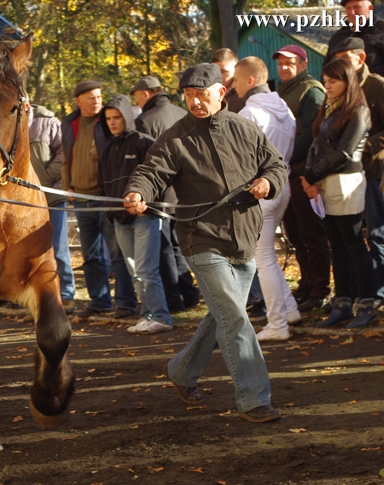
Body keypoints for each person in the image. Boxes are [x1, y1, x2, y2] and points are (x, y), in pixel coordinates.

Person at [124, 63, 288, 423]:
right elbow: (150, 172)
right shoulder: (176, 137)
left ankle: (182, 371)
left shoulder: (246, 128)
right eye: (189, 96)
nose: (196, 102)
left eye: (203, 94)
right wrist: (138, 192)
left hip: (244, 237)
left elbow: (276, 166)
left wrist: (267, 183)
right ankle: (254, 398)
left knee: (222, 315)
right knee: (234, 316)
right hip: (201, 238)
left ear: (221, 93)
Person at [301, 59, 378, 328]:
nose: (328, 85)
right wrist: (309, 177)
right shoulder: (329, 109)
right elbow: (316, 144)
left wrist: (312, 175)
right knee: (337, 246)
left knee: (354, 244)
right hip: (326, 182)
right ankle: (343, 301)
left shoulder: (357, 110)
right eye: (325, 80)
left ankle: (366, 304)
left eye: (333, 80)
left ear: (348, 80)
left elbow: (345, 152)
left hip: (346, 181)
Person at [234, 57, 302, 341]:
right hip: (281, 184)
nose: (233, 86)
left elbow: (238, 159)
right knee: (267, 256)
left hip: (262, 188)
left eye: (236, 80)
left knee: (263, 258)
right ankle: (289, 311)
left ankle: (277, 324)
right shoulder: (283, 108)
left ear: (250, 80)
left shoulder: (250, 113)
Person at [95, 95, 171, 333]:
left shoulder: (143, 142)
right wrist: (111, 213)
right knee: (133, 271)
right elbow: (104, 184)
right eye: (108, 119)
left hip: (144, 216)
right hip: (119, 218)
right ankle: (147, 314)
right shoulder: (107, 149)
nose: (112, 123)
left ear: (127, 117)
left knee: (147, 269)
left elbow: (160, 178)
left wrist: (148, 206)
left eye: (117, 117)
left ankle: (161, 316)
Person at [61, 80, 137, 318]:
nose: (96, 102)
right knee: (91, 255)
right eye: (91, 97)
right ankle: (99, 300)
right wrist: (68, 187)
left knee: (117, 253)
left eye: (99, 97)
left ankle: (125, 301)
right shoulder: (69, 124)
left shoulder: (106, 122)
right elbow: (66, 158)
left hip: (104, 198)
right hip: (81, 199)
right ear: (78, 101)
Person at [131, 75, 200, 313]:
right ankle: (190, 293)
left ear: (147, 94)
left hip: (160, 191)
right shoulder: (182, 113)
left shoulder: (145, 120)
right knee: (178, 245)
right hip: (183, 191)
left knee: (163, 249)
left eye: (137, 95)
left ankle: (174, 299)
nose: (136, 100)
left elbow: (147, 160)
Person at [276, 44, 333, 312]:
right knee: (295, 235)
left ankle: (322, 289)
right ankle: (307, 284)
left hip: (303, 171)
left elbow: (311, 133)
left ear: (302, 65)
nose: (284, 67)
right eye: (280, 63)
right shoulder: (280, 92)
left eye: (290, 63)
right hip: (285, 172)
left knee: (312, 234)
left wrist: (283, 158)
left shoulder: (311, 91)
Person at [332, 37, 384, 307]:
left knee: (378, 233)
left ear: (361, 59)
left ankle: (379, 293)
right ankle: (366, 292)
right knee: (360, 236)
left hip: (377, 170)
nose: (340, 65)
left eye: (346, 58)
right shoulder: (340, 91)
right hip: (348, 175)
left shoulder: (377, 86)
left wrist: (363, 147)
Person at [29, 102, 76, 314]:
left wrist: (47, 177)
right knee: (28, 252)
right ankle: (35, 297)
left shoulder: (48, 121)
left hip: (51, 197)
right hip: (23, 202)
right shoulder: (7, 122)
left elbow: (63, 153)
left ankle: (66, 295)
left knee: (58, 248)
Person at [325, 0, 384, 77]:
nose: (352, 12)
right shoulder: (338, 37)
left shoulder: (381, 32)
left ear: (370, 8)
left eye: (357, 7)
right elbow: (327, 71)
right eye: (348, 8)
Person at [211, 48, 243, 112]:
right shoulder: (211, 94)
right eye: (215, 72)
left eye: (223, 71)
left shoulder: (243, 95)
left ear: (235, 69)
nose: (218, 76)